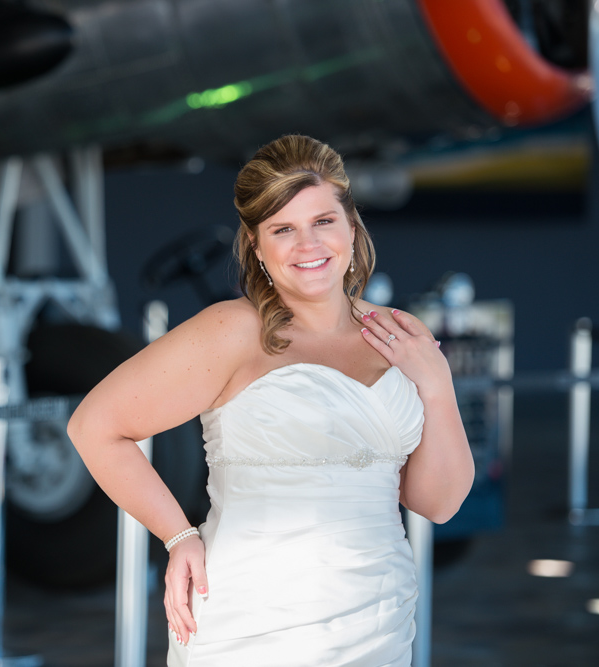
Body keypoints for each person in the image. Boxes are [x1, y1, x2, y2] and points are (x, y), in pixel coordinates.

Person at [67, 134, 474, 666]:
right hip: (253, 619)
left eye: (323, 221)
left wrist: (437, 385)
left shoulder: (399, 332)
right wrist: (178, 536)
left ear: (351, 227)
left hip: (377, 618)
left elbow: (439, 504)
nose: (308, 246)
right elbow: (94, 426)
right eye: (284, 230)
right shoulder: (233, 331)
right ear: (257, 248)